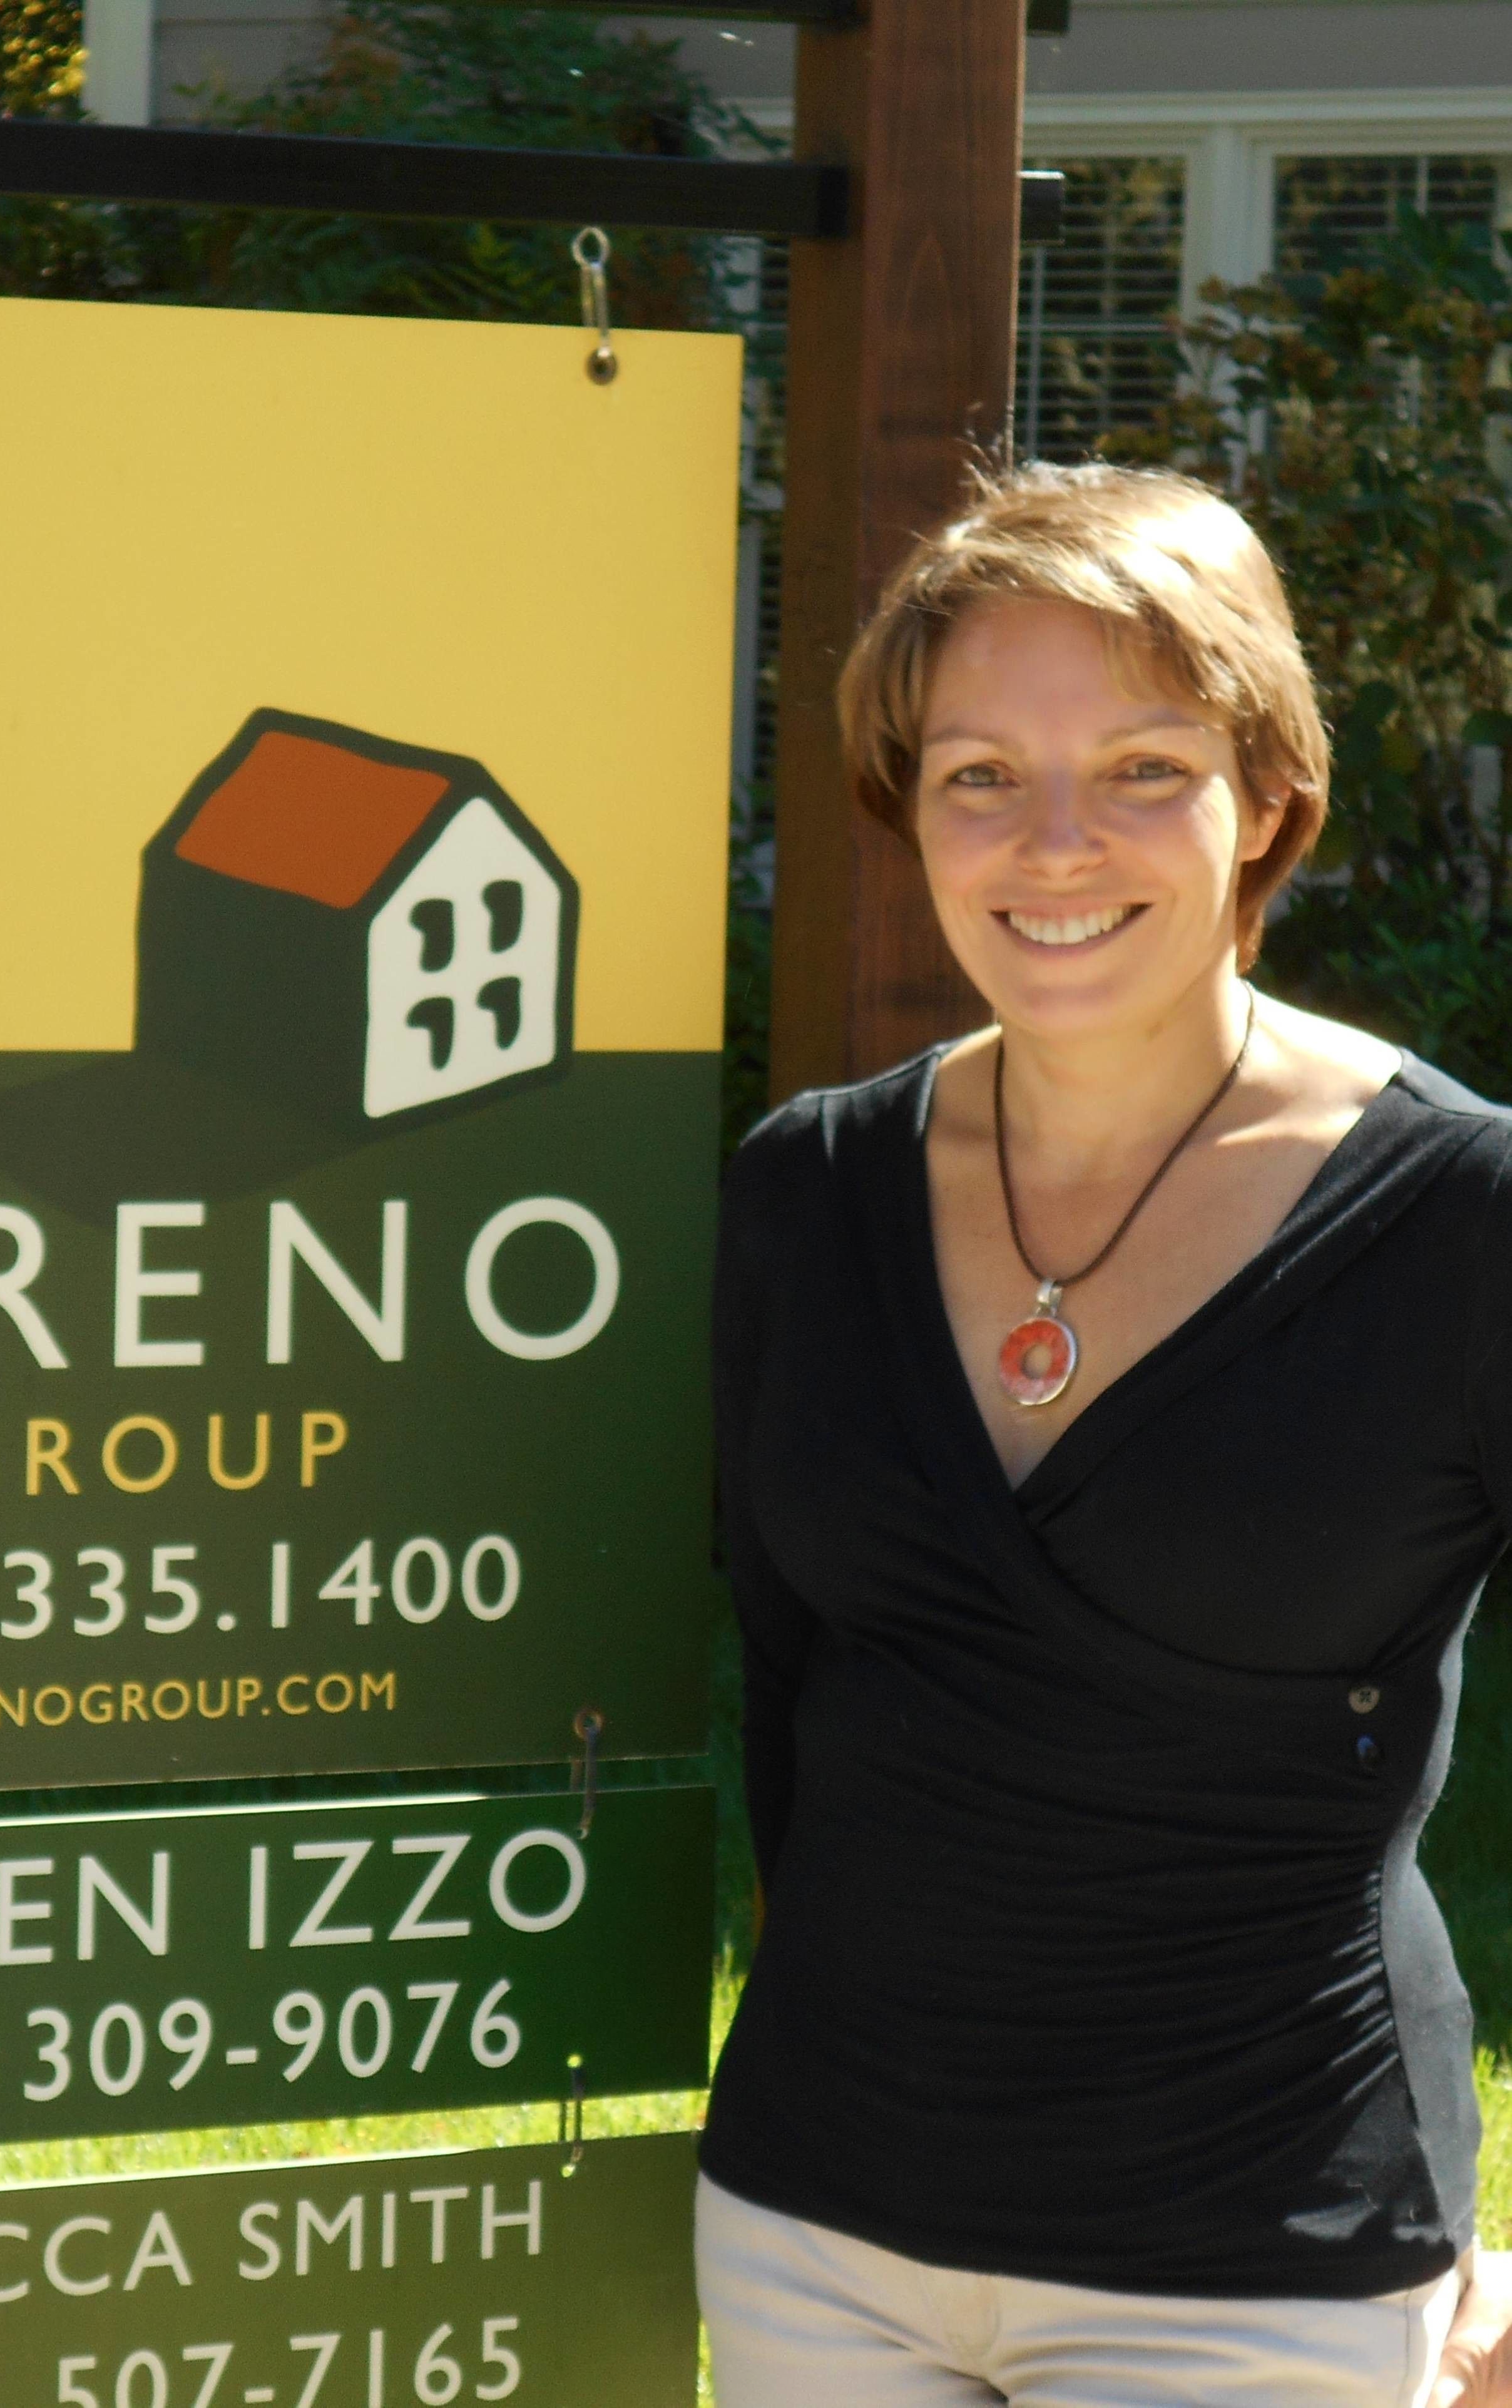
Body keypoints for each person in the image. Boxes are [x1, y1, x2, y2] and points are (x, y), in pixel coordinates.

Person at [697, 461, 1512, 2406]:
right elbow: (794, 1700)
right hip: (817, 2238)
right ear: (910, 807)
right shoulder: (810, 1191)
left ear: (1268, 799)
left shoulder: (1466, 1220)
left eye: (1144, 768)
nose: (1054, 842)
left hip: (1254, 2272)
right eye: (981, 773)